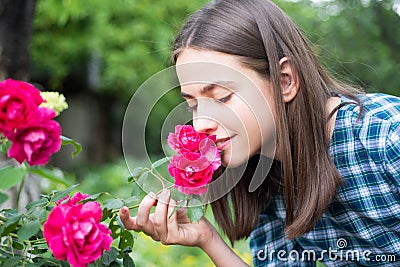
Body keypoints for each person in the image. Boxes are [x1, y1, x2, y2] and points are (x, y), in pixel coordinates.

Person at [119, 0, 400, 266]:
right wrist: (207, 239)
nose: (200, 123)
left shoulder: (387, 136)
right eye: (193, 104)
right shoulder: (265, 176)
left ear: (285, 81)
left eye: (221, 97)